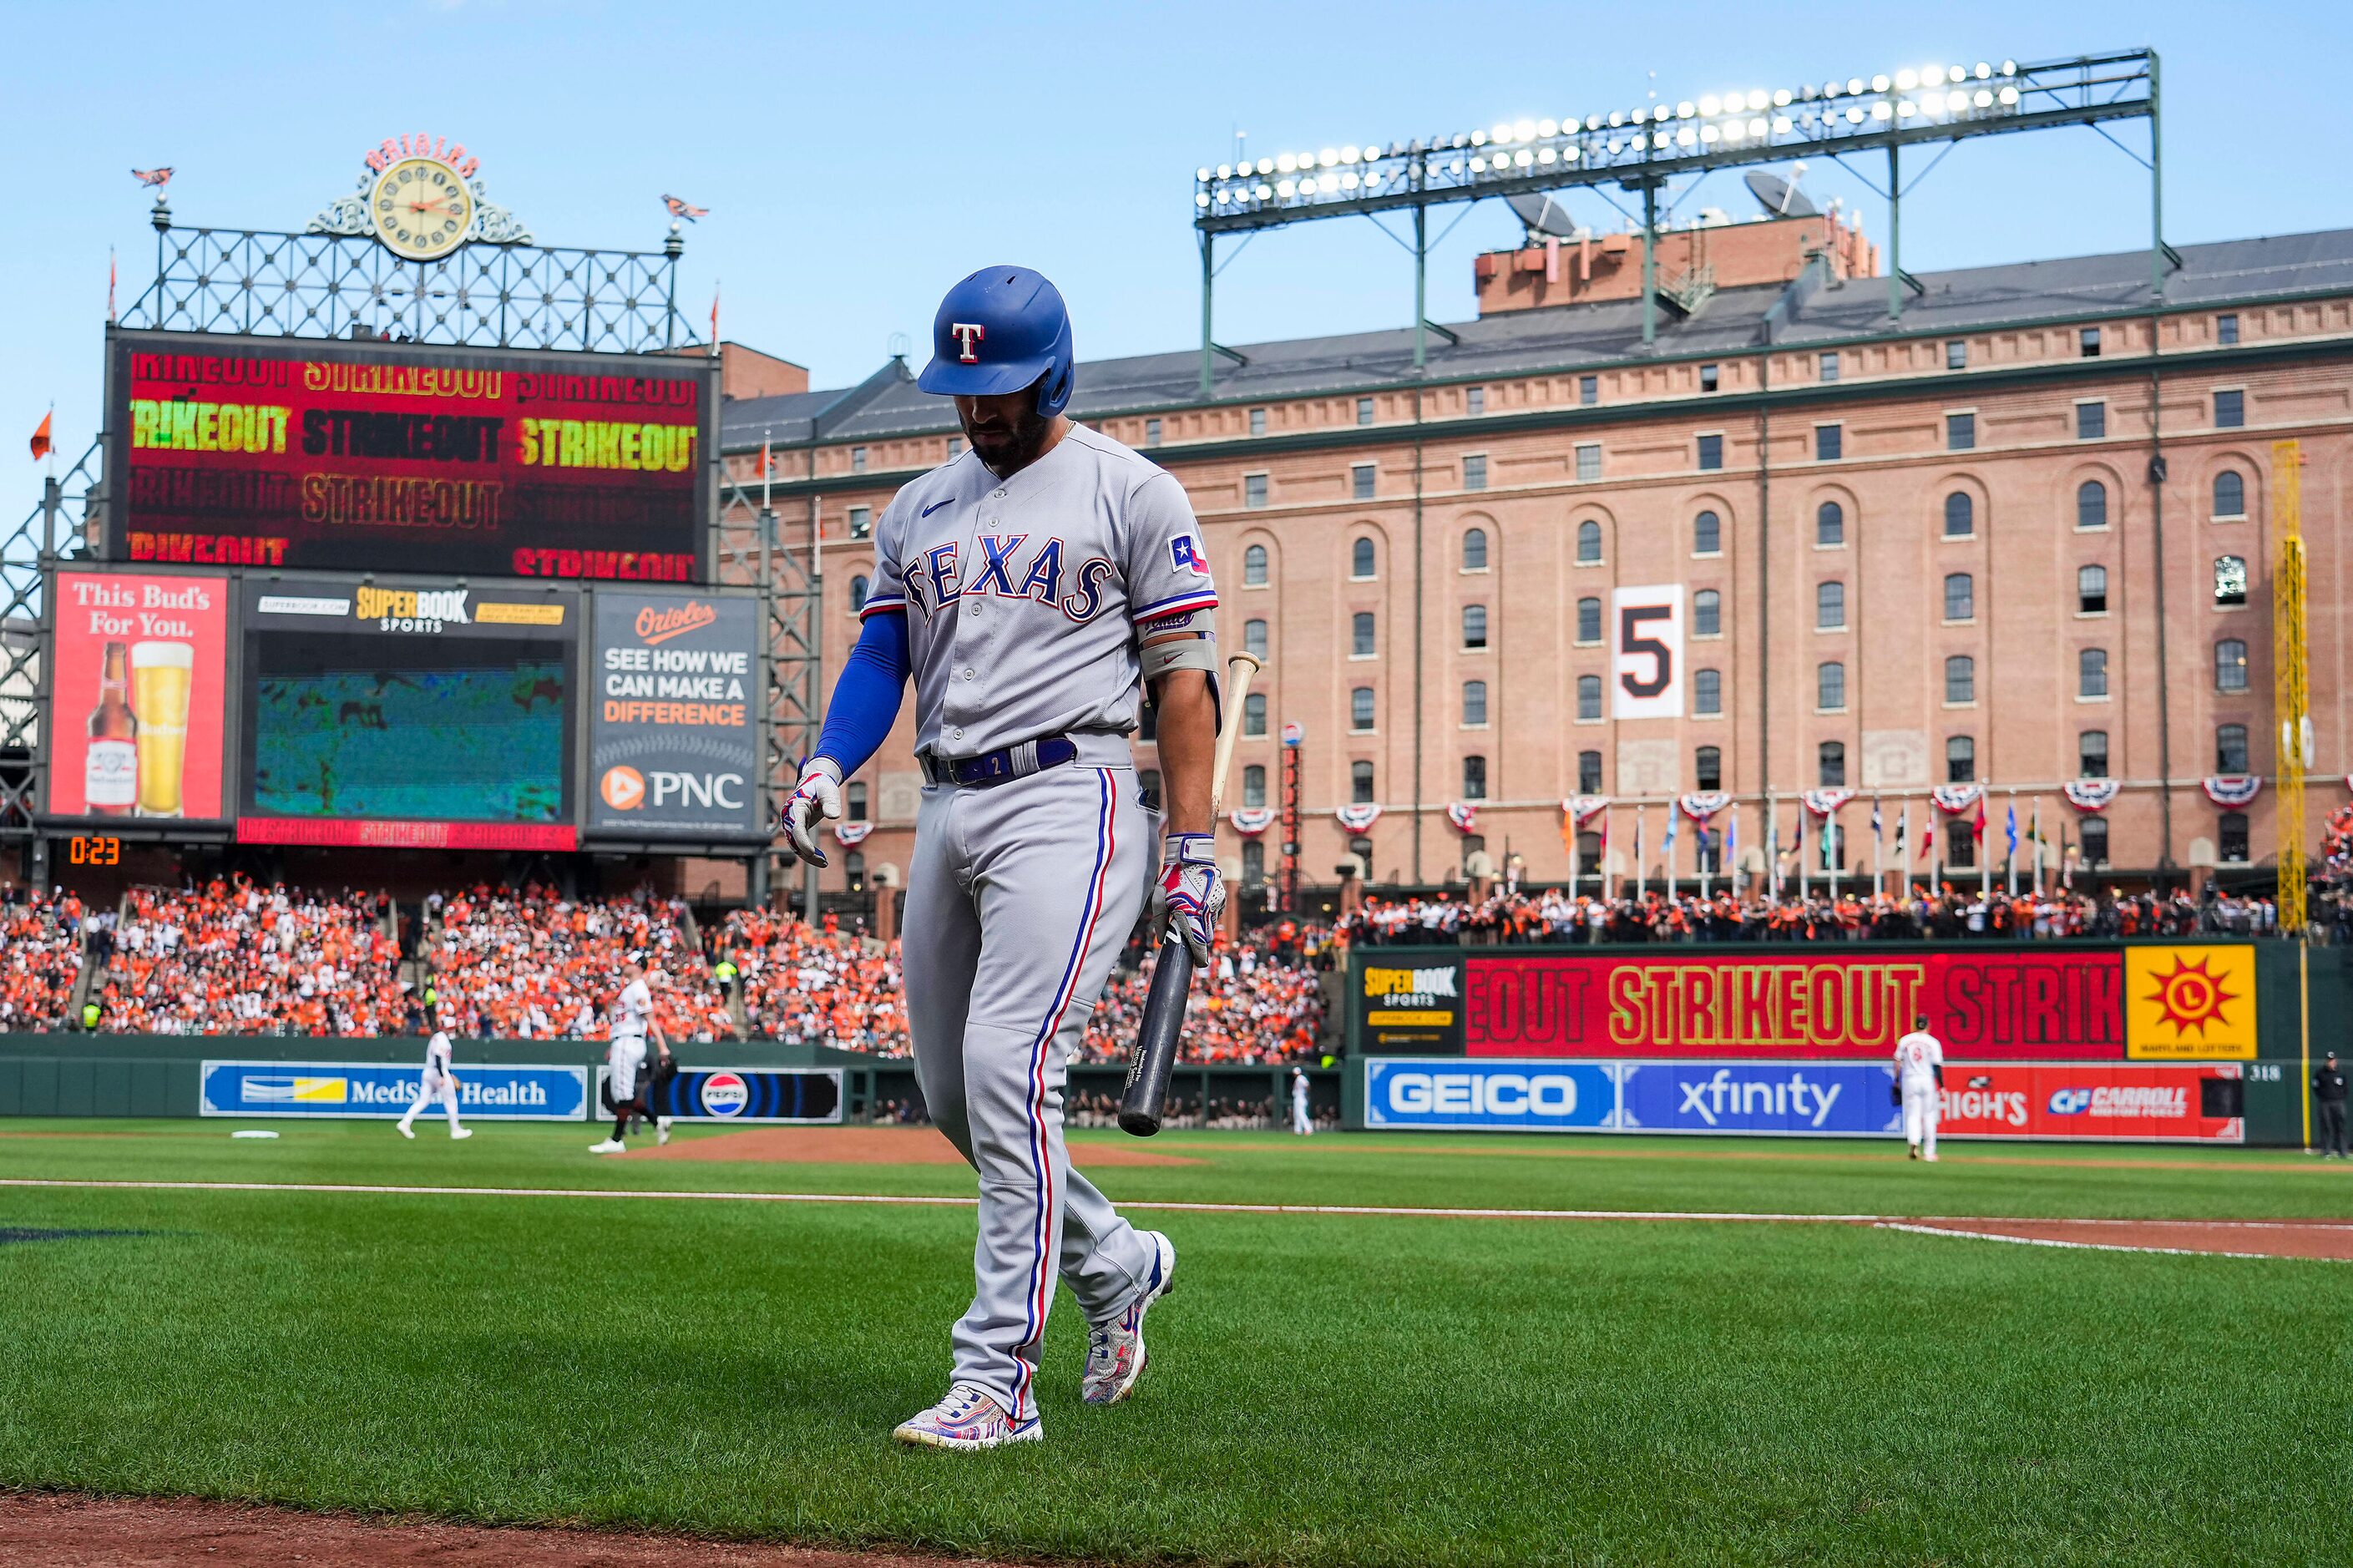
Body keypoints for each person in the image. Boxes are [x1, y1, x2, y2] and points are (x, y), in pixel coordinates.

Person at [784, 267, 1207, 1451]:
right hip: (948, 802)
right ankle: (1117, 1262)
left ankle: (994, 1383)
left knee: (1009, 1060)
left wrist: (1195, 846)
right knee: (953, 1089)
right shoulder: (916, 507)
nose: (978, 408)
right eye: (963, 387)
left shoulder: (1132, 490)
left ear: (1054, 373)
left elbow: (1185, 682)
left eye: (1001, 388)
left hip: (1072, 791)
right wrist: (826, 761)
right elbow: (883, 661)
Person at [590, 960, 669, 1153]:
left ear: (638, 966)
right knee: (622, 1095)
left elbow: (650, 1019)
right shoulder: (632, 989)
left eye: (630, 962)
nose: (625, 965)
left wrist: (663, 1048)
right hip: (623, 1041)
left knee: (623, 1094)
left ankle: (617, 1140)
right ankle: (657, 1122)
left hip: (628, 1041)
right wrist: (615, 1043)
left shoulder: (638, 988)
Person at [397, 1014, 472, 1141]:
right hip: (438, 1072)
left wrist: (449, 1074)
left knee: (423, 1100)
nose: (452, 1030)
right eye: (451, 1027)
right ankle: (455, 1130)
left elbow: (441, 1059)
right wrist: (443, 1076)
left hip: (428, 1071)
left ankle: (405, 1123)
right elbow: (438, 1057)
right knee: (451, 1101)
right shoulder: (442, 1039)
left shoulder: (436, 1037)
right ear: (446, 1028)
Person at [1894, 1013, 1944, 1161]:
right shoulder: (1933, 1042)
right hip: (1927, 1079)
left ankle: (1914, 1142)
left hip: (1910, 1079)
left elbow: (1897, 1062)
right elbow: (1937, 1066)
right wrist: (1942, 1086)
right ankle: (1929, 1152)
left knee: (1912, 1115)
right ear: (1928, 1025)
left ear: (1915, 1025)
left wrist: (1897, 1080)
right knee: (1929, 1115)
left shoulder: (1905, 1040)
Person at [2315, 1050, 2348, 1159]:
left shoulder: (2341, 1073)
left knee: (2340, 1126)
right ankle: (2326, 1151)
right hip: (2325, 1102)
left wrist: (2340, 1097)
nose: (2331, 1062)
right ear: (2326, 1061)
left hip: (2338, 1102)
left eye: (2332, 1060)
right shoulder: (2320, 1073)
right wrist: (2323, 1097)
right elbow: (2316, 1087)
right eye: (2329, 1060)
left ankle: (2342, 1151)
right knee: (2326, 1126)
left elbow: (2345, 1088)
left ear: (2335, 1061)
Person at [1289, 1066, 1312, 1136]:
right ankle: (1298, 1130)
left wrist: (1306, 1094)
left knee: (1301, 1114)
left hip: (1301, 1097)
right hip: (1297, 1097)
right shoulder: (1298, 1079)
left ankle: (1308, 1129)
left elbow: (1307, 1085)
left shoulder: (1301, 1078)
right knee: (1296, 1114)